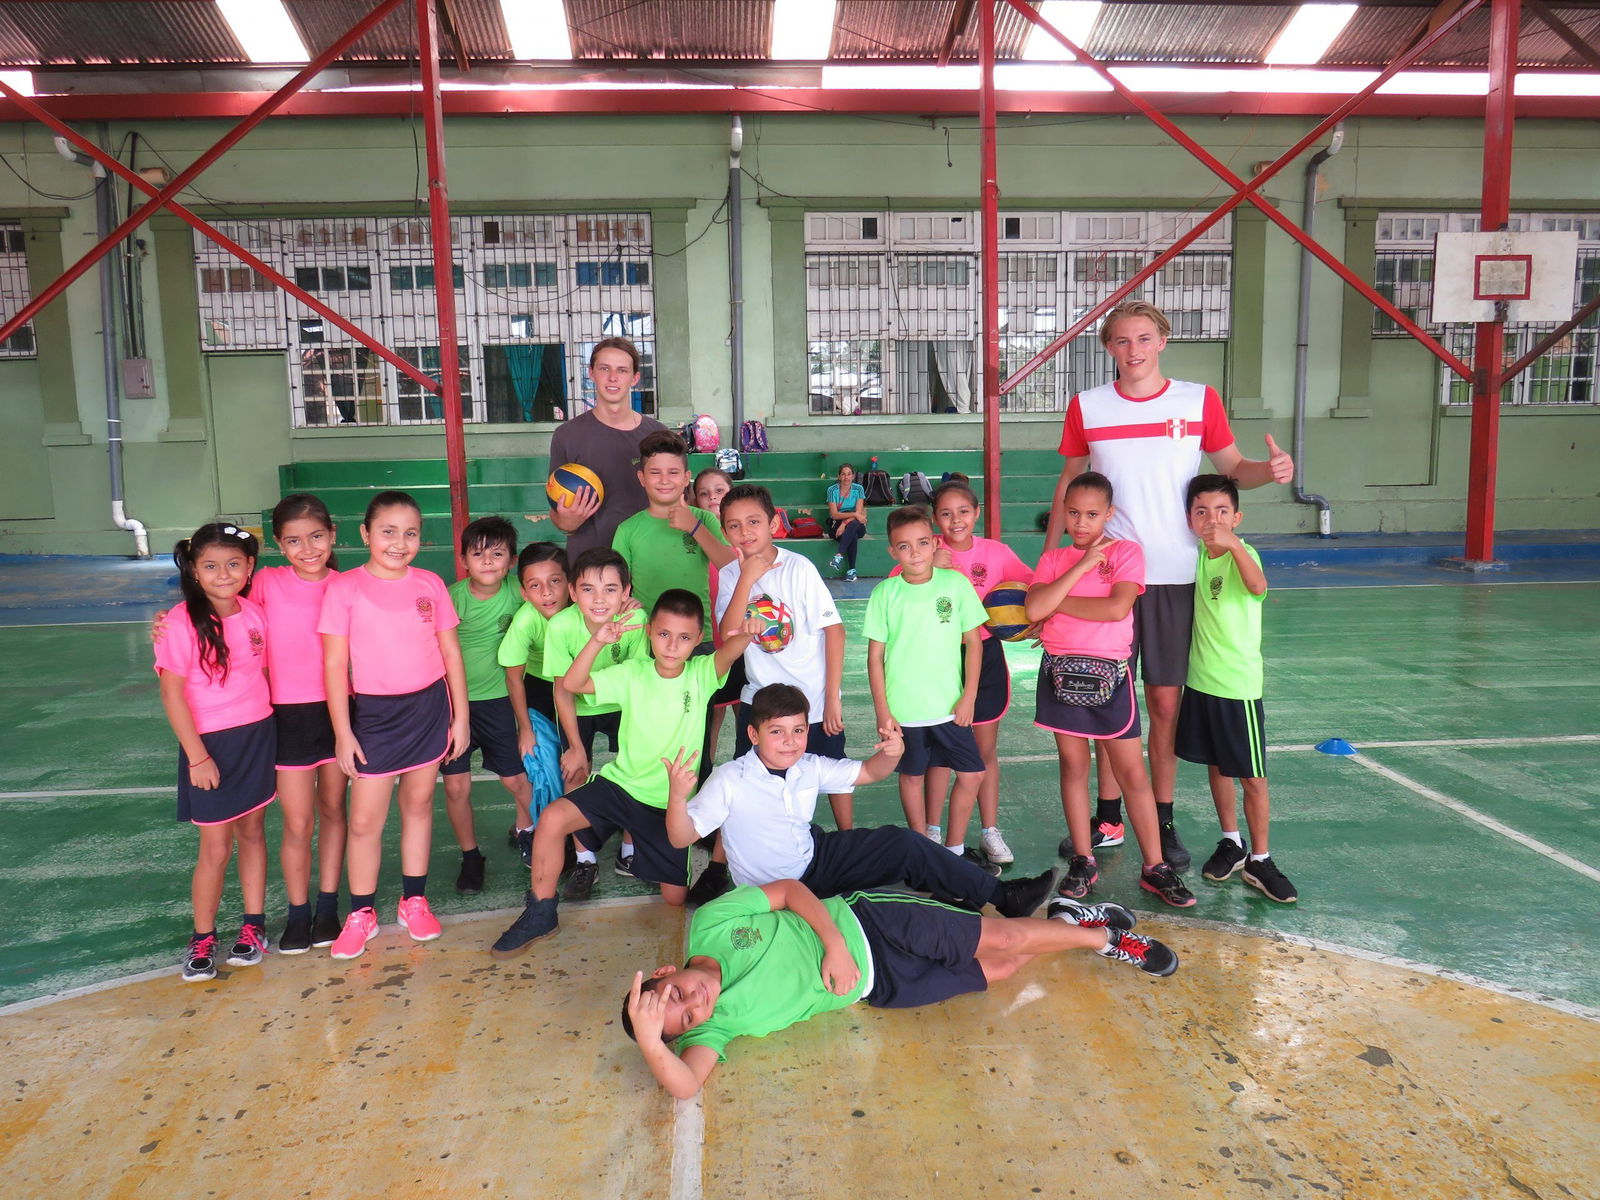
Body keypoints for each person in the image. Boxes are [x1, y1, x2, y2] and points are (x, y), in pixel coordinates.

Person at [1041, 301, 1293, 869]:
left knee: (1162, 704)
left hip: (1178, 578)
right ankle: (1109, 818)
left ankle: (1162, 815)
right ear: (1108, 348)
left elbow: (1233, 467)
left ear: (1162, 342)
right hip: (1110, 577)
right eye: (1122, 340)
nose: (1134, 349)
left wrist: (1269, 471)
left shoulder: (1197, 399)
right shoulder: (1087, 406)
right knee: (1105, 698)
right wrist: (1050, 564)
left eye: (1144, 338)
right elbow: (1069, 484)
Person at [620, 878, 1178, 1098]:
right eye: (686, 1022)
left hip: (869, 925)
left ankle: (1104, 937)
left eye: (679, 997)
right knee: (1001, 970)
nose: (697, 1005)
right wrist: (651, 1042)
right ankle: (1069, 922)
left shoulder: (711, 923)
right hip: (880, 985)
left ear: (667, 973)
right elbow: (687, 1086)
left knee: (1001, 938)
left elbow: (789, 891)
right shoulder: (713, 1026)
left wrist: (834, 945)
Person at [488, 590, 759, 957]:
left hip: (669, 805)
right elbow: (572, 684)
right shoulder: (632, 673)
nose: (672, 645)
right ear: (649, 632)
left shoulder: (703, 673)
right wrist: (598, 641)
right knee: (552, 819)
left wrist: (749, 630)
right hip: (620, 786)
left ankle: (646, 852)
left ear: (697, 640)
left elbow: (731, 649)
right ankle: (540, 909)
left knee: (675, 899)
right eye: (664, 634)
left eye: (684, 638)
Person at [667, 682, 1055, 914]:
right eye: (777, 732)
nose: (790, 742)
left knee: (902, 841)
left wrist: (892, 754)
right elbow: (681, 837)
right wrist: (677, 797)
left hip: (811, 851)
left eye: (798, 731)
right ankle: (996, 894)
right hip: (790, 884)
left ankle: (986, 892)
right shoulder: (729, 779)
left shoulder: (809, 765)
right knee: (894, 875)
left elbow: (868, 772)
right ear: (753, 735)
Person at [1026, 472, 1194, 908]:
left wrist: (1056, 603)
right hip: (1060, 673)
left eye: (1092, 514)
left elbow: (1116, 606)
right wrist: (1080, 568)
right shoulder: (1053, 560)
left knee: (1132, 774)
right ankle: (1083, 860)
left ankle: (1155, 866)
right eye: (1075, 513)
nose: (1082, 523)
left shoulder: (1125, 552)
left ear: (1109, 515)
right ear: (1064, 513)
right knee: (1073, 767)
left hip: (1111, 677)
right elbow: (1032, 608)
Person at [318, 491, 470, 960]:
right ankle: (361, 913)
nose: (399, 543)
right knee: (365, 820)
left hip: (427, 708)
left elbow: (450, 653)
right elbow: (334, 664)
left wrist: (459, 716)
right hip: (374, 717)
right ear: (366, 534)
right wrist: (343, 732)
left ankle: (413, 900)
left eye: (410, 534)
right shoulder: (344, 588)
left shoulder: (430, 584)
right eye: (388, 532)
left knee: (419, 804)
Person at [154, 523, 276, 983]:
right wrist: (197, 757)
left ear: (248, 570)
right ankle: (203, 936)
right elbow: (172, 696)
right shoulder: (180, 623)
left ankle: (253, 925)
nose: (223, 574)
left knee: (253, 833)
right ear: (194, 570)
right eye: (210, 566)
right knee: (215, 846)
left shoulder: (254, 613)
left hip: (257, 735)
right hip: (209, 746)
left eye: (233, 564)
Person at [896, 480, 1033, 864]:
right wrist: (930, 571)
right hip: (936, 660)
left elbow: (1033, 585)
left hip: (984, 656)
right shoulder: (925, 553)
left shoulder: (996, 552)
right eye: (945, 513)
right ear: (934, 519)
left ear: (976, 513)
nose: (955, 520)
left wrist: (1035, 619)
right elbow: (897, 589)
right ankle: (934, 830)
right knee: (941, 752)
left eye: (963, 512)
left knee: (984, 751)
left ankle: (990, 830)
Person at [1177, 475, 1298, 903]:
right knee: (1217, 766)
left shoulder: (1243, 554)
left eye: (1222, 511)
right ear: (1190, 518)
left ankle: (1261, 859)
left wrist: (1232, 545)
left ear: (1237, 517)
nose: (1213, 520)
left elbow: (1258, 586)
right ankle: (1232, 841)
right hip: (1199, 681)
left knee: (1252, 777)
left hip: (1237, 687)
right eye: (1202, 511)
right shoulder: (1190, 555)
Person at [715, 484, 847, 823]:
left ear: (773, 524)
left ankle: (847, 838)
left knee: (835, 776)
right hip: (760, 699)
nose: (744, 532)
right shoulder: (730, 576)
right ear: (724, 531)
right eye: (734, 525)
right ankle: (737, 853)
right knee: (751, 779)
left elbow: (834, 630)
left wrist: (832, 697)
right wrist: (747, 579)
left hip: (814, 699)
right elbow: (728, 636)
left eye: (753, 521)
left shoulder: (799, 567)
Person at [866, 506, 990, 867]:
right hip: (904, 711)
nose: (915, 552)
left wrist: (969, 696)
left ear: (935, 543)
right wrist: (883, 711)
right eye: (904, 547)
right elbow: (875, 658)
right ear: (892, 552)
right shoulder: (885, 593)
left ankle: (953, 850)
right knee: (912, 777)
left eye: (922, 543)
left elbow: (975, 643)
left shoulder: (955, 584)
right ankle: (920, 849)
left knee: (973, 773)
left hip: (950, 707)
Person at [250, 494, 348, 952]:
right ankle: (298, 913)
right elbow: (218, 609)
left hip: (339, 711)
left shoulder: (349, 585)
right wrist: (168, 622)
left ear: (332, 535)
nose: (307, 548)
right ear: (278, 544)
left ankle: (328, 909)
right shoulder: (266, 583)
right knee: (298, 821)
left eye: (316, 537)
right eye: (293, 540)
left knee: (333, 810)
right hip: (286, 716)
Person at [612, 430, 738, 784]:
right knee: (649, 728)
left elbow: (730, 565)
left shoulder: (704, 519)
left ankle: (697, 816)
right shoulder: (629, 529)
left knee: (695, 730)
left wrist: (694, 526)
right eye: (655, 472)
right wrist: (626, 600)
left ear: (686, 479)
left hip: (698, 641)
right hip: (648, 643)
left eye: (672, 473)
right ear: (641, 478)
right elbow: (618, 587)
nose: (664, 480)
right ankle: (642, 808)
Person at [540, 547, 650, 898]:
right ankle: (585, 859)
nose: (599, 599)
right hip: (579, 708)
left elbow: (638, 682)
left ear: (627, 592)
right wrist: (574, 745)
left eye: (611, 589)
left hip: (622, 706)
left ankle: (629, 851)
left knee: (634, 772)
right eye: (588, 589)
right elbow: (562, 691)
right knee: (574, 772)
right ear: (572, 592)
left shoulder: (636, 621)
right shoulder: (561, 626)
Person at [440, 516, 532, 896]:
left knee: (514, 779)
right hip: (453, 704)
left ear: (511, 560)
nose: (488, 561)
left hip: (498, 702)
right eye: (479, 554)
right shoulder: (451, 597)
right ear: (464, 560)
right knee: (457, 787)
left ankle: (527, 829)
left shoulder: (519, 591)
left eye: (497, 554)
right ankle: (471, 855)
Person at [546, 337, 668, 559]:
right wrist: (567, 523)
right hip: (591, 565)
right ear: (591, 373)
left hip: (649, 559)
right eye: (604, 369)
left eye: (622, 370)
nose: (613, 377)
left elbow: (677, 501)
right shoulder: (566, 435)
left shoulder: (659, 435)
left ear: (635, 378)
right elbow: (557, 512)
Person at [498, 541, 570, 865]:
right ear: (524, 592)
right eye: (535, 585)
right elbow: (513, 678)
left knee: (571, 763)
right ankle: (536, 830)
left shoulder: (583, 608)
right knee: (541, 764)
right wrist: (525, 729)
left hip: (572, 687)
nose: (547, 592)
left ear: (570, 582)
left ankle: (568, 827)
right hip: (537, 688)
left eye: (555, 581)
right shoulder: (527, 620)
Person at [825, 462, 868, 582]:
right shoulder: (832, 490)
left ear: (853, 476)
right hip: (836, 524)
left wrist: (845, 523)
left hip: (855, 524)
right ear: (839, 476)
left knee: (853, 526)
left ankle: (838, 555)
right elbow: (834, 514)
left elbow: (858, 514)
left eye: (849, 474)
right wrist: (854, 514)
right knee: (852, 535)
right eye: (843, 474)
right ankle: (852, 571)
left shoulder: (859, 489)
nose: (846, 477)